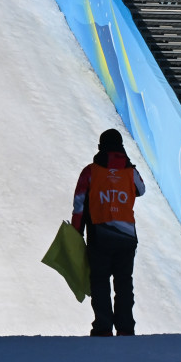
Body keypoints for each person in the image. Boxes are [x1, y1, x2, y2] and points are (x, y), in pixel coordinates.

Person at [71, 128, 146, 337]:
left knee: (100, 281)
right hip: (126, 236)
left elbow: (79, 204)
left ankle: (103, 327)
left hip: (99, 235)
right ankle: (125, 327)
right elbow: (142, 189)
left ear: (99, 147)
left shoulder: (90, 171)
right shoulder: (130, 172)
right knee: (124, 282)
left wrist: (76, 231)